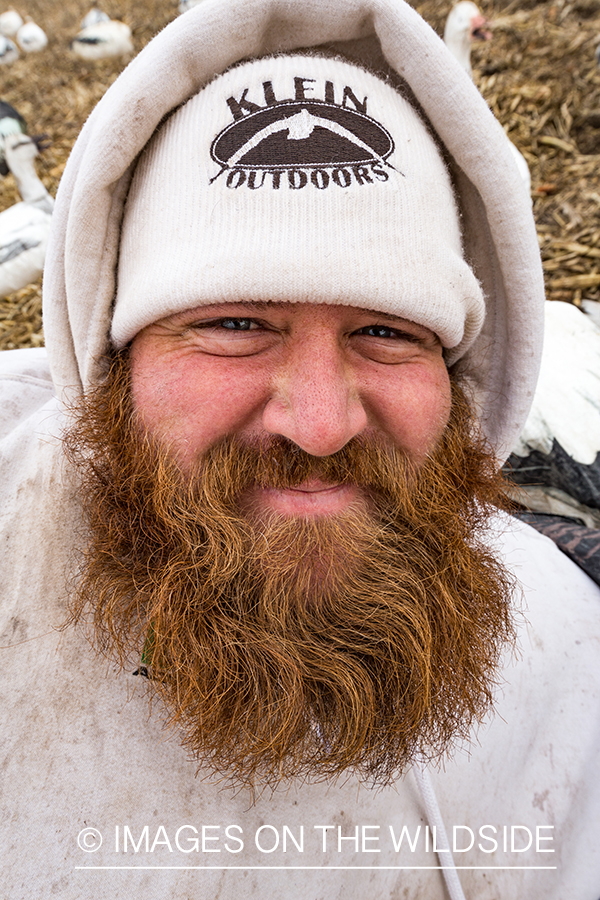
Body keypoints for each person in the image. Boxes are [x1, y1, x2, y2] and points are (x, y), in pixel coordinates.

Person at [1, 1, 599, 898]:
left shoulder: (569, 669)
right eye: (235, 324)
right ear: (111, 362)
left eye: (387, 332)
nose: (320, 425)